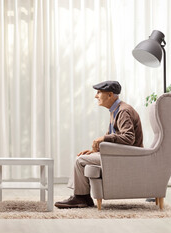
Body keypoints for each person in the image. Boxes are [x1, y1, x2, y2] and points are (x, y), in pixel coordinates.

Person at [54, 80, 143, 208]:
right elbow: (117, 138)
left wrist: (103, 138)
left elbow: (128, 138)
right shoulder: (116, 110)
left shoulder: (123, 111)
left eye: (99, 92)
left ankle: (81, 198)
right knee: (82, 158)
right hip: (122, 154)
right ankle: (82, 197)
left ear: (110, 95)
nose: (96, 96)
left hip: (128, 156)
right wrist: (96, 152)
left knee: (80, 160)